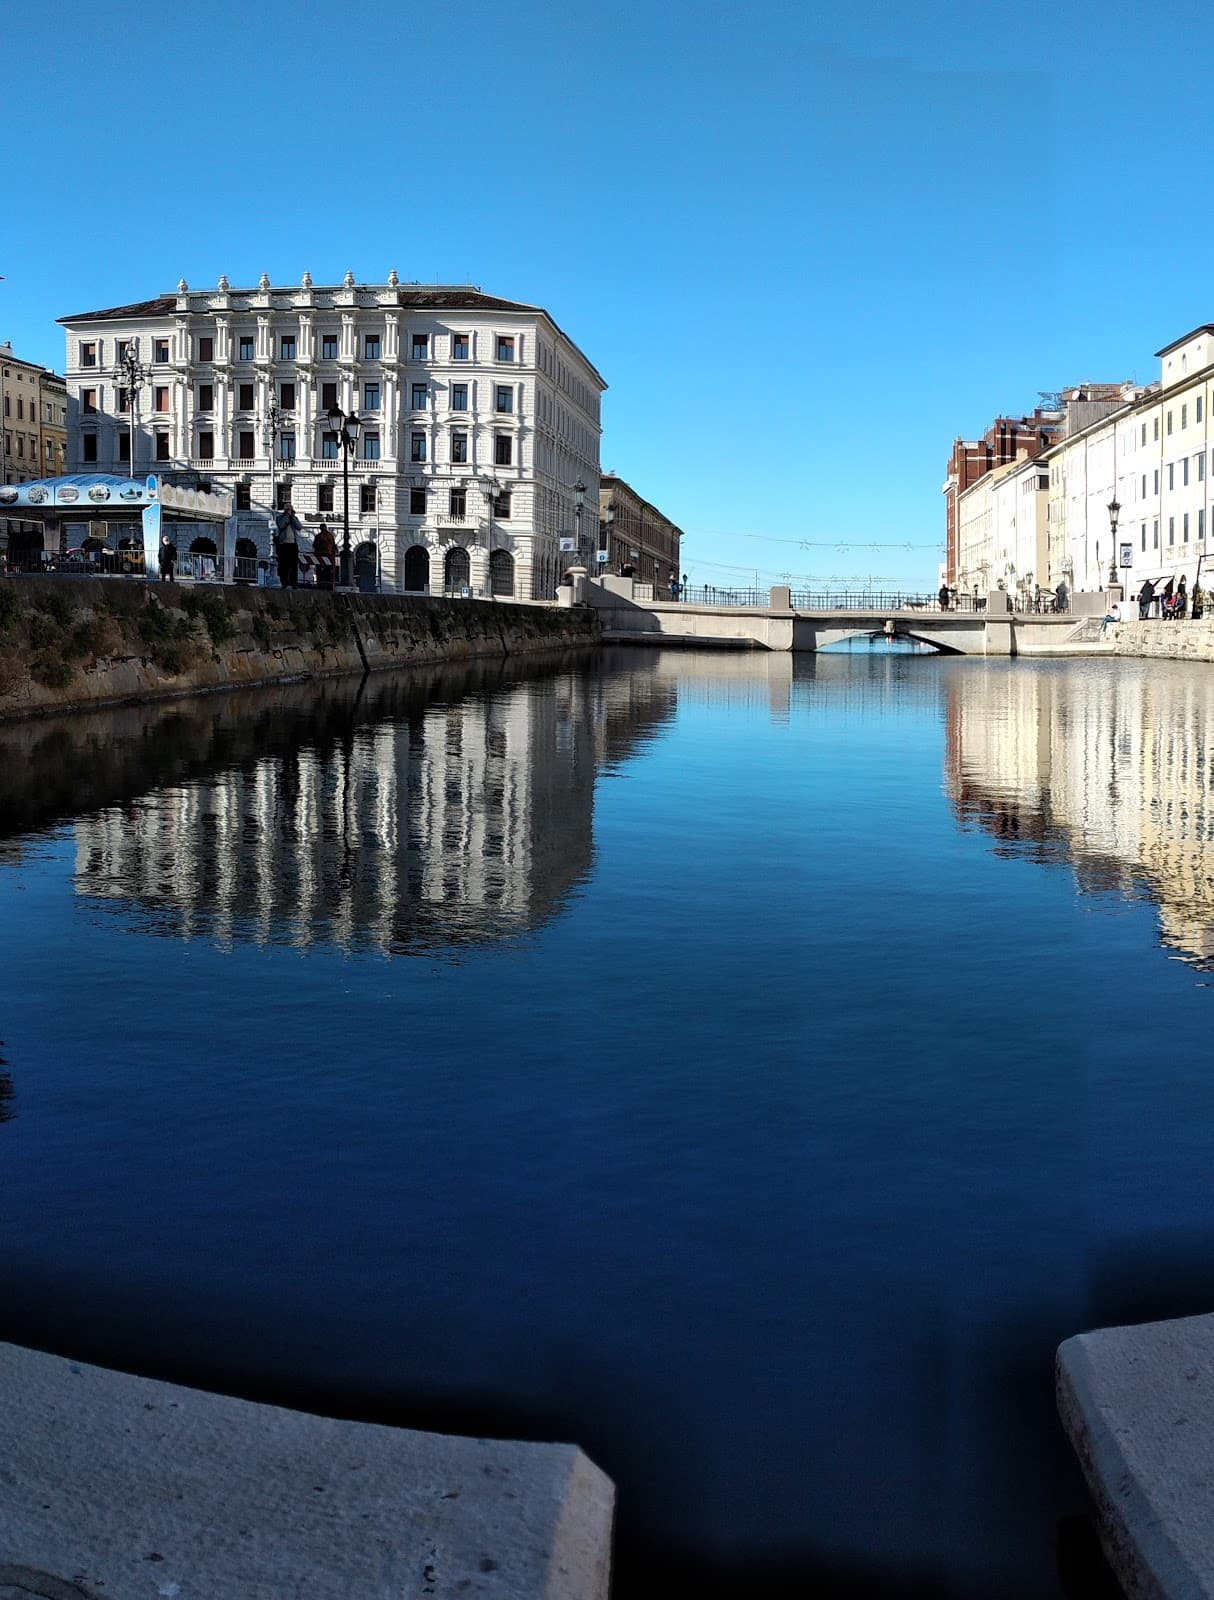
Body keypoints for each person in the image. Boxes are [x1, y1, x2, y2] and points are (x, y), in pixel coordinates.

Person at [274, 504, 301, 589]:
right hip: (283, 544)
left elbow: (299, 527)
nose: (290, 511)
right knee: (284, 565)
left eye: (291, 510)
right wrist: (287, 516)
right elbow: (281, 525)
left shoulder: (294, 518)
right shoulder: (279, 518)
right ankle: (284, 583)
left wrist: (292, 517)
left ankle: (294, 583)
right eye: (288, 510)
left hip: (293, 544)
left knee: (293, 565)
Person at [312, 522, 337, 591]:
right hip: (328, 555)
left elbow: (314, 545)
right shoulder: (330, 536)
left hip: (319, 555)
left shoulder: (318, 536)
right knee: (328, 571)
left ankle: (320, 583)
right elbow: (334, 545)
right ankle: (328, 583)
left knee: (319, 571)